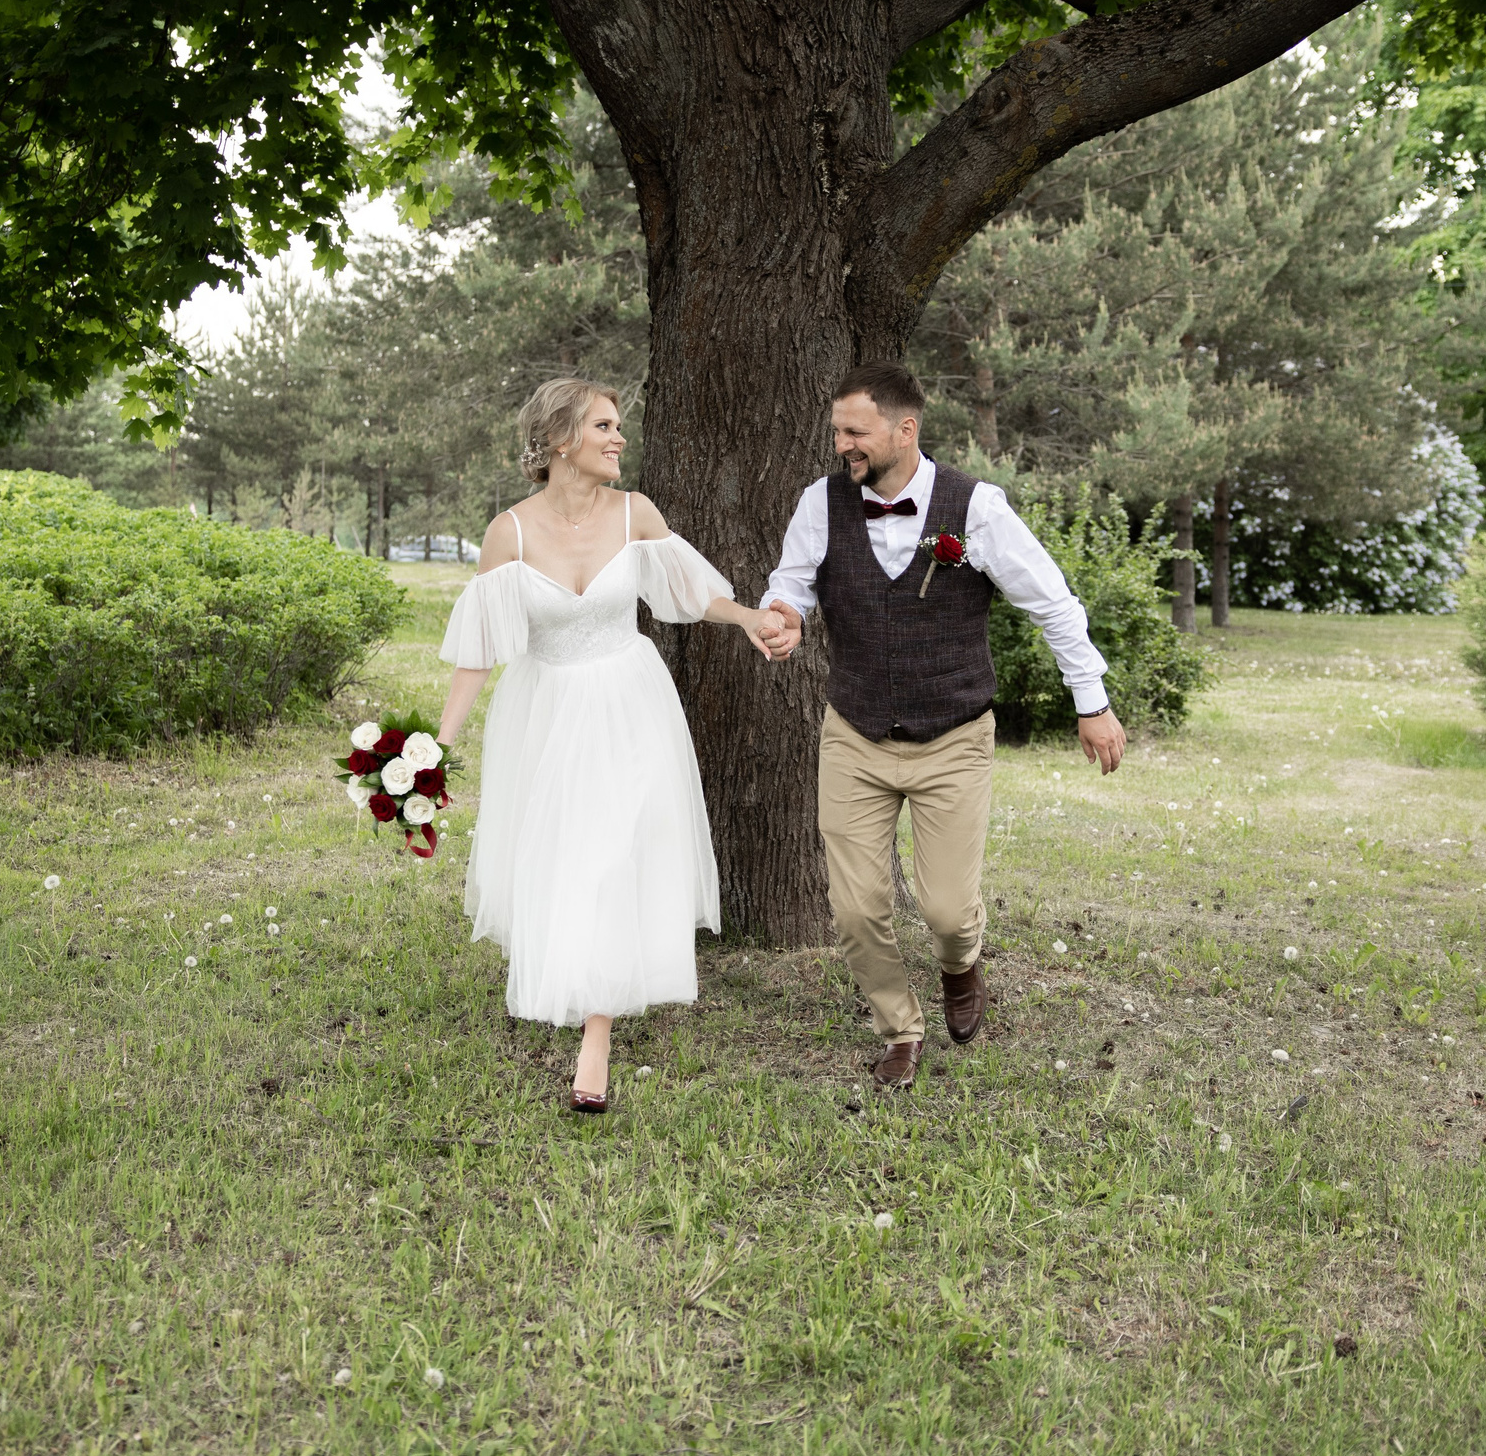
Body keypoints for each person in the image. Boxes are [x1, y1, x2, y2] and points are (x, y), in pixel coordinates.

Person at [760, 362, 1127, 1088]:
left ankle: (961, 966)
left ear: (905, 429)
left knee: (949, 911)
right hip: (855, 733)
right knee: (857, 910)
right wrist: (785, 618)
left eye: (855, 431)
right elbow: (790, 584)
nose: (843, 446)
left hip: (954, 736)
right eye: (837, 432)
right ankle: (899, 1030)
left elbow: (1052, 602)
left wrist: (1092, 701)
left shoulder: (977, 507)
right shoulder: (821, 502)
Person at [437, 378, 787, 1113]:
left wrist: (750, 618)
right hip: (547, 711)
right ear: (562, 438)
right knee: (569, 859)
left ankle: (595, 1038)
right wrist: (433, 751)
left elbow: (690, 592)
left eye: (618, 425)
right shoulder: (510, 533)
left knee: (616, 853)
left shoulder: (637, 515)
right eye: (604, 425)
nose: (618, 438)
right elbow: (480, 651)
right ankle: (576, 982)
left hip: (630, 704)